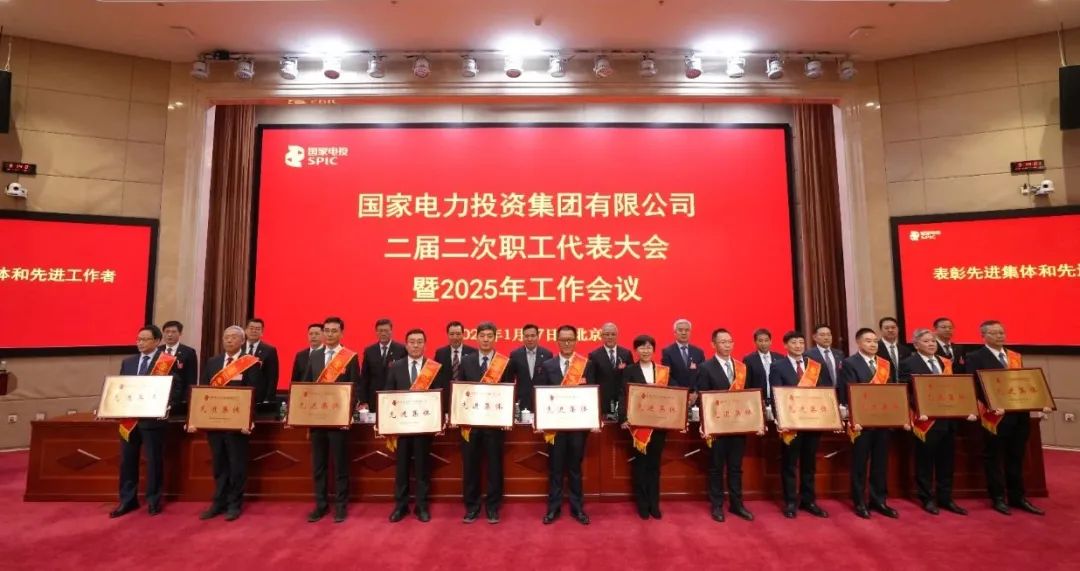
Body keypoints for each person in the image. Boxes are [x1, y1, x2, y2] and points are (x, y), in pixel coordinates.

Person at [965, 320, 1049, 516]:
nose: (1000, 336)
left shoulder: (1014, 356)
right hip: (995, 416)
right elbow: (972, 386)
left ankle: (1017, 497)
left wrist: (1039, 400)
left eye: (1002, 332)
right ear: (983, 336)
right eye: (994, 333)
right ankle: (998, 498)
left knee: (1016, 457)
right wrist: (990, 406)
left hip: (1019, 414)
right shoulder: (975, 357)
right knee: (994, 458)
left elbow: (1023, 384)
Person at [898, 328, 974, 516]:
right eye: (926, 341)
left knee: (946, 462)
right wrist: (919, 408)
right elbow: (905, 391)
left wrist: (965, 408)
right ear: (916, 345)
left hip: (947, 419)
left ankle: (946, 498)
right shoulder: (908, 363)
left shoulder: (945, 362)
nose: (931, 344)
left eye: (933, 341)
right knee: (925, 462)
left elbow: (955, 388)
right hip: (926, 421)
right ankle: (927, 498)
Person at [110, 325, 183, 518]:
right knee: (127, 461)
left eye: (145, 339)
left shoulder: (167, 362)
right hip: (129, 420)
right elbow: (121, 388)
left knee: (154, 461)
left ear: (157, 341)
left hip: (153, 421)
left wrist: (165, 405)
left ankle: (153, 500)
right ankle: (127, 500)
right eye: (138, 339)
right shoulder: (128, 362)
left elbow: (176, 390)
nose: (140, 343)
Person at [838, 328, 906, 519]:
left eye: (875, 341)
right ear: (859, 343)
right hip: (862, 421)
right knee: (860, 463)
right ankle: (859, 501)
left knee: (880, 463)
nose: (873, 344)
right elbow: (848, 392)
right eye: (868, 341)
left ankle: (879, 500)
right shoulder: (849, 363)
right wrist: (854, 418)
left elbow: (892, 391)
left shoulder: (885, 364)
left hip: (883, 421)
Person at [196, 325, 262, 521]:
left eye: (234, 337)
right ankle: (218, 502)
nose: (229, 340)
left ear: (242, 341)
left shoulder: (250, 363)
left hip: (237, 424)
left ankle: (234, 503)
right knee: (219, 464)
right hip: (214, 423)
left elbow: (255, 393)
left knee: (236, 465)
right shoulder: (213, 362)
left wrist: (248, 419)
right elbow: (203, 390)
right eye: (226, 337)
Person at [696, 328, 759, 522]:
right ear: (713, 344)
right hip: (717, 427)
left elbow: (749, 396)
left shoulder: (742, 368)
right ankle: (716, 505)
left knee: (735, 467)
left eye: (730, 341)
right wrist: (706, 425)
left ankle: (736, 504)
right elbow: (703, 398)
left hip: (738, 426)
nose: (727, 345)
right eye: (722, 342)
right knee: (716, 468)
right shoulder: (706, 367)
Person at [302, 317, 361, 523]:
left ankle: (341, 506)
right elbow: (306, 385)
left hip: (338, 422)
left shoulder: (349, 357)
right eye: (326, 330)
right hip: (317, 420)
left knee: (340, 465)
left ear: (341, 333)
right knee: (319, 465)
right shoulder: (315, 356)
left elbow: (355, 388)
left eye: (334, 331)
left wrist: (347, 414)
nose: (329, 334)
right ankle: (320, 505)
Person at [770, 330, 830, 519]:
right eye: (794, 342)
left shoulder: (816, 366)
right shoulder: (777, 366)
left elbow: (825, 392)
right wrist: (781, 420)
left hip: (812, 422)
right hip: (791, 424)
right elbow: (776, 394)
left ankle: (808, 500)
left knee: (809, 463)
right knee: (789, 464)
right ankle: (790, 501)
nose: (798, 346)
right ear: (785, 345)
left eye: (801, 342)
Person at [458, 321, 513, 524]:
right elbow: (460, 390)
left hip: (494, 425)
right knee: (470, 466)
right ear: (476, 338)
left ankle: (492, 507)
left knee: (494, 467)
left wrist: (507, 416)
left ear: (495, 338)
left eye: (490, 336)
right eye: (482, 336)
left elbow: (508, 391)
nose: (486, 339)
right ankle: (472, 506)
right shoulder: (466, 361)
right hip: (471, 424)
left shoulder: (503, 362)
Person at [540, 325, 596, 525]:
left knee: (574, 469)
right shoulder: (547, 365)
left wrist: (593, 419)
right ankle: (553, 508)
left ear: (575, 341)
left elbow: (592, 393)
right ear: (557, 341)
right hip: (555, 427)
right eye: (563, 340)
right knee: (555, 469)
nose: (566, 343)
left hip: (578, 427)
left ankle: (577, 508)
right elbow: (541, 394)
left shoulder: (586, 365)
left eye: (570, 339)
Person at [386, 328, 443, 523]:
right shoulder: (395, 367)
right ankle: (400, 506)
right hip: (401, 428)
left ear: (425, 345)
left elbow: (439, 396)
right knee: (401, 468)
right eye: (412, 342)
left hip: (424, 427)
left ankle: (422, 506)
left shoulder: (433, 367)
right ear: (406, 344)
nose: (416, 345)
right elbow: (388, 395)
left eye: (419, 341)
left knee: (422, 468)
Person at [620, 334, 671, 520]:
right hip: (638, 425)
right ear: (636, 350)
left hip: (658, 425)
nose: (645, 350)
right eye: (642, 347)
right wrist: (623, 418)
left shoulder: (663, 371)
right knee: (641, 465)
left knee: (654, 465)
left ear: (654, 350)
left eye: (649, 347)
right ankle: (642, 504)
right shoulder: (630, 370)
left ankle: (654, 504)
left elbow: (671, 396)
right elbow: (623, 394)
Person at [360, 318, 407, 411]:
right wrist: (363, 401)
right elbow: (365, 378)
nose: (383, 333)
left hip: (395, 397)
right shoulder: (369, 351)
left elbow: (404, 376)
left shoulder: (401, 349)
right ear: (376, 332)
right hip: (374, 398)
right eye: (380, 331)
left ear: (391, 331)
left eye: (386, 330)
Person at [589, 322, 633, 419]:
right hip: (603, 400)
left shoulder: (626, 353)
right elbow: (592, 380)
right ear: (601, 336)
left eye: (613, 334)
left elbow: (632, 377)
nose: (610, 337)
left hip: (623, 400)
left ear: (617, 335)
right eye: (607, 334)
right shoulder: (594, 355)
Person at [509, 323, 552, 412]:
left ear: (538, 336)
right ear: (523, 337)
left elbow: (550, 380)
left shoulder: (547, 354)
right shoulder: (515, 355)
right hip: (521, 401)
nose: (529, 339)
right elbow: (510, 379)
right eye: (527, 336)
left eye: (532, 336)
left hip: (542, 400)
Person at [434, 320, 477, 407]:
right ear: (447, 335)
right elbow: (437, 378)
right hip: (446, 398)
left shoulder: (473, 352)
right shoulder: (440, 353)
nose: (455, 337)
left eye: (458, 334)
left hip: (467, 396)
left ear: (463, 334)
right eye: (452, 334)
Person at [661, 318, 705, 392]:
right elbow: (667, 375)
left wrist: (696, 392)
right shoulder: (667, 352)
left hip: (695, 394)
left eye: (687, 330)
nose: (684, 333)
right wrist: (680, 391)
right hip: (676, 393)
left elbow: (702, 374)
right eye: (680, 330)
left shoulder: (698, 352)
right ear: (675, 332)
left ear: (690, 332)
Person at [243, 318, 280, 404]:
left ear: (262, 332)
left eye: (257, 329)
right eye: (251, 328)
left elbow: (272, 377)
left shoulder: (269, 350)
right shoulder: (238, 348)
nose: (254, 331)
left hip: (260, 397)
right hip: (240, 394)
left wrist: (268, 398)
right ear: (246, 330)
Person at [160, 320, 198, 400]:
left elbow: (191, 378)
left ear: (180, 333)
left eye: (173, 332)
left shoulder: (188, 352)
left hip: (179, 396)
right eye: (167, 332)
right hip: (160, 394)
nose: (170, 334)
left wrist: (186, 398)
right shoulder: (157, 351)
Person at [743, 328, 782, 405]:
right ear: (755, 342)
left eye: (766, 340)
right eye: (760, 341)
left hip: (777, 400)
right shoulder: (749, 360)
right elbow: (747, 384)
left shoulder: (779, 358)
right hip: (758, 401)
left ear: (770, 341)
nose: (764, 343)